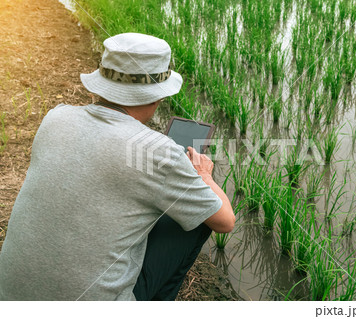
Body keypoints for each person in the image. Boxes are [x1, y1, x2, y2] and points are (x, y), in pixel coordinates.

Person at [0, 33, 235, 301]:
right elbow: (225, 221)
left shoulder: (56, 118)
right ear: (157, 98)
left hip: (10, 296)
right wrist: (204, 175)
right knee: (201, 216)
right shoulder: (158, 150)